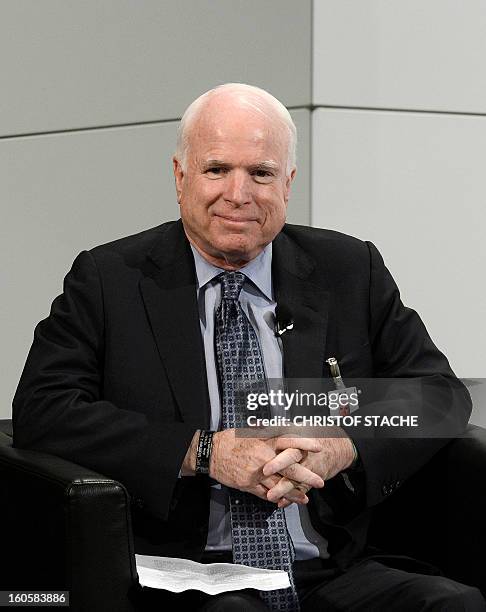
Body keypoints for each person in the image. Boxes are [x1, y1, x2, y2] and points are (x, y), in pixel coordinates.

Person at [12, 83, 485, 611]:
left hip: (330, 565)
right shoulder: (108, 279)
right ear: (180, 176)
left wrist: (343, 445)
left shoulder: (349, 269)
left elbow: (440, 395)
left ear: (288, 182)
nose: (238, 194)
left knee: (452, 605)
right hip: (191, 570)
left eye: (260, 173)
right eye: (217, 170)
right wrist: (205, 452)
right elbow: (43, 409)